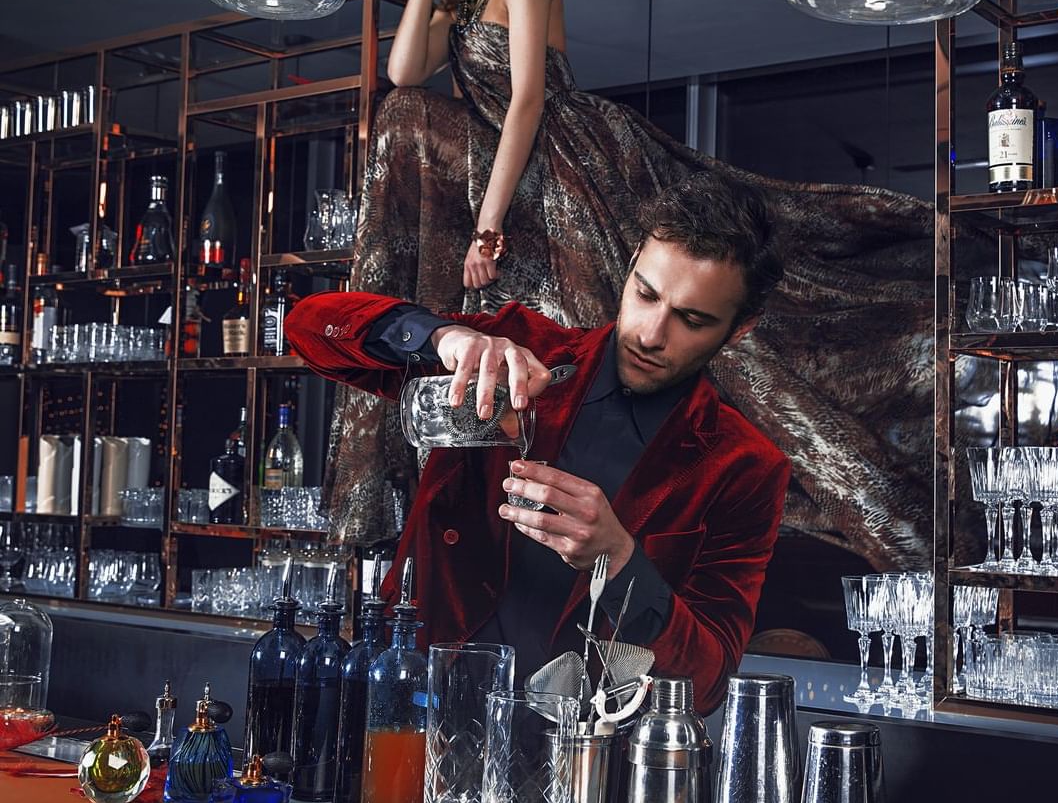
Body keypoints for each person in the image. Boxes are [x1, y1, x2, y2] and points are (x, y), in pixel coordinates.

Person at [323, 0, 936, 578]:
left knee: (608, 308)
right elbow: (403, 74)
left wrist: (486, 228)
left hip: (558, 143)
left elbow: (526, 100)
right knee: (403, 112)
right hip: (493, 151)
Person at [290, 174, 792, 713]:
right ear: (629, 272)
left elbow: (708, 684)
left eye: (691, 319)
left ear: (739, 329)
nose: (650, 333)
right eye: (645, 294)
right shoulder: (522, 352)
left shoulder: (745, 467)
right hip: (411, 708)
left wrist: (621, 562)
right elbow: (308, 327)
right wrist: (443, 336)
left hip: (574, 761)